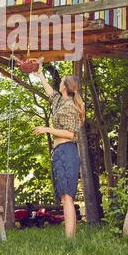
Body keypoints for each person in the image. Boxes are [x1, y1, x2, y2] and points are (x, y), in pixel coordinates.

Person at [32, 63, 85, 239]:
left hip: (67, 151)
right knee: (64, 197)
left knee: (67, 197)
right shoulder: (61, 102)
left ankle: (70, 239)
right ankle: (70, 237)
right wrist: (40, 75)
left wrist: (47, 129)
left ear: (66, 86)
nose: (59, 83)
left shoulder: (70, 106)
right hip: (60, 152)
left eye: (61, 81)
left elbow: (70, 134)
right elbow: (50, 93)